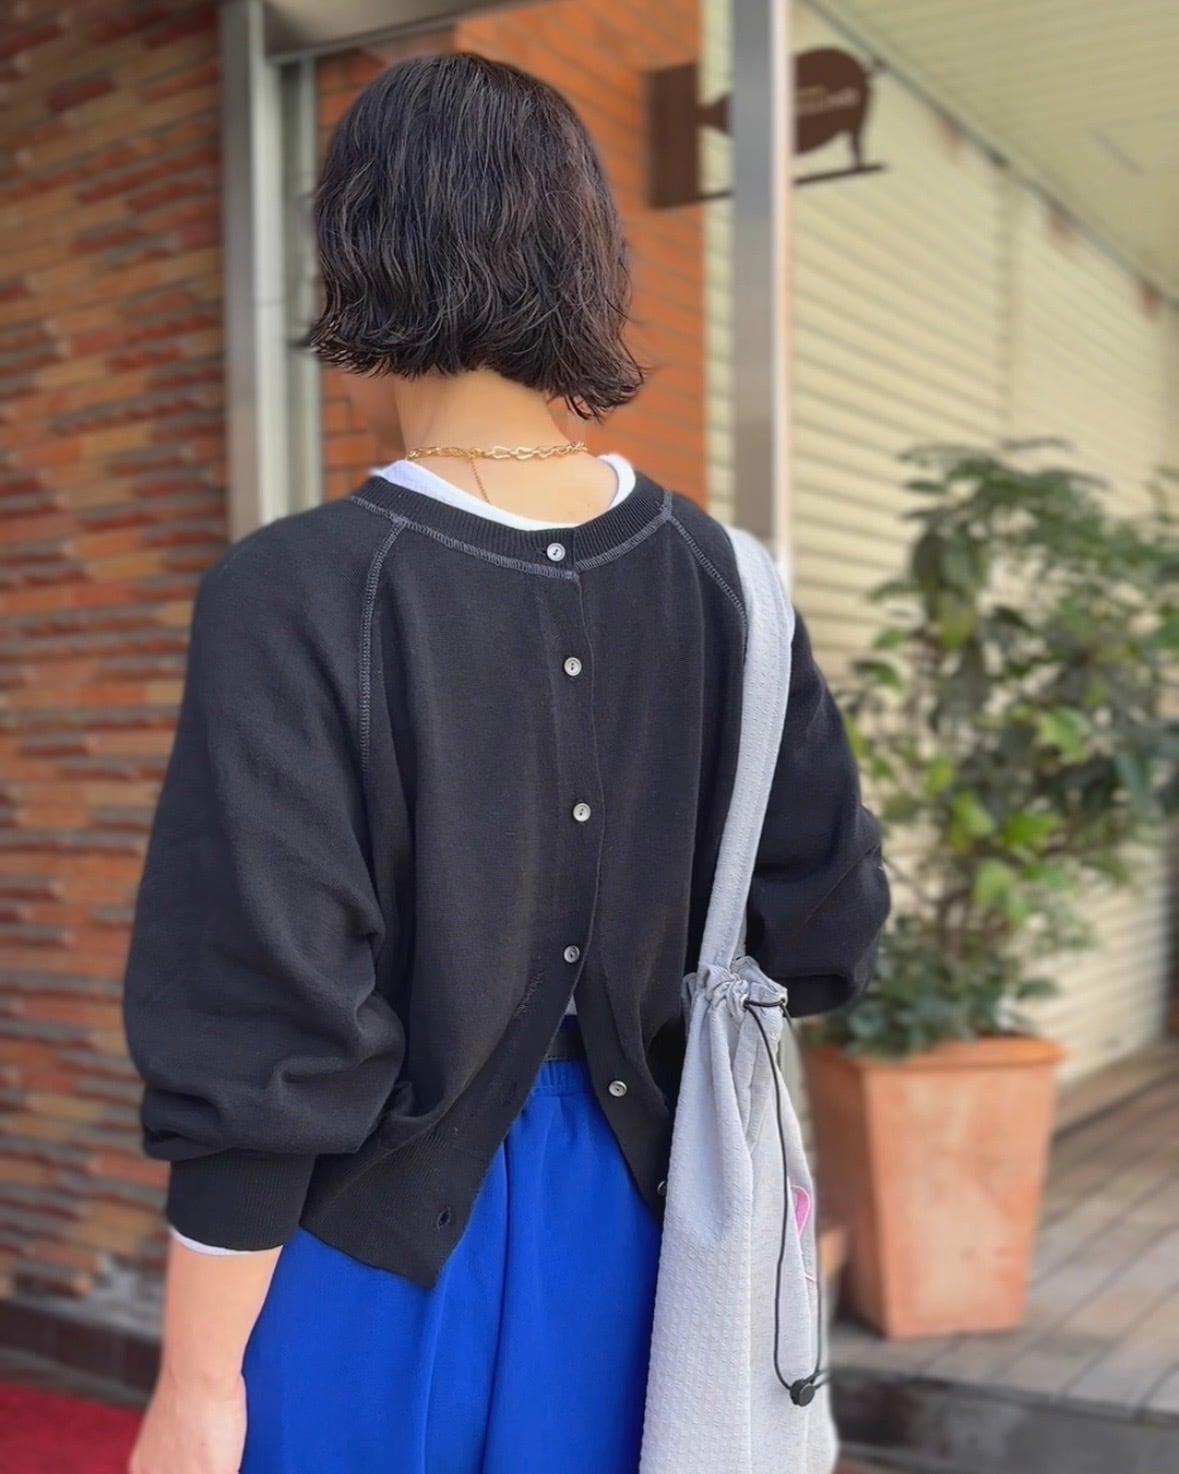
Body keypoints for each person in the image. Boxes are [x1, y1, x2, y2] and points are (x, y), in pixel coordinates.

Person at [123, 52, 889, 1474]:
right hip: (655, 1257)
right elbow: (827, 933)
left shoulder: (295, 591)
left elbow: (267, 1024)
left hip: (364, 1250)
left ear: (360, 250)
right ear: (583, 262)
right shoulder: (735, 585)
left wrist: (195, 1387)